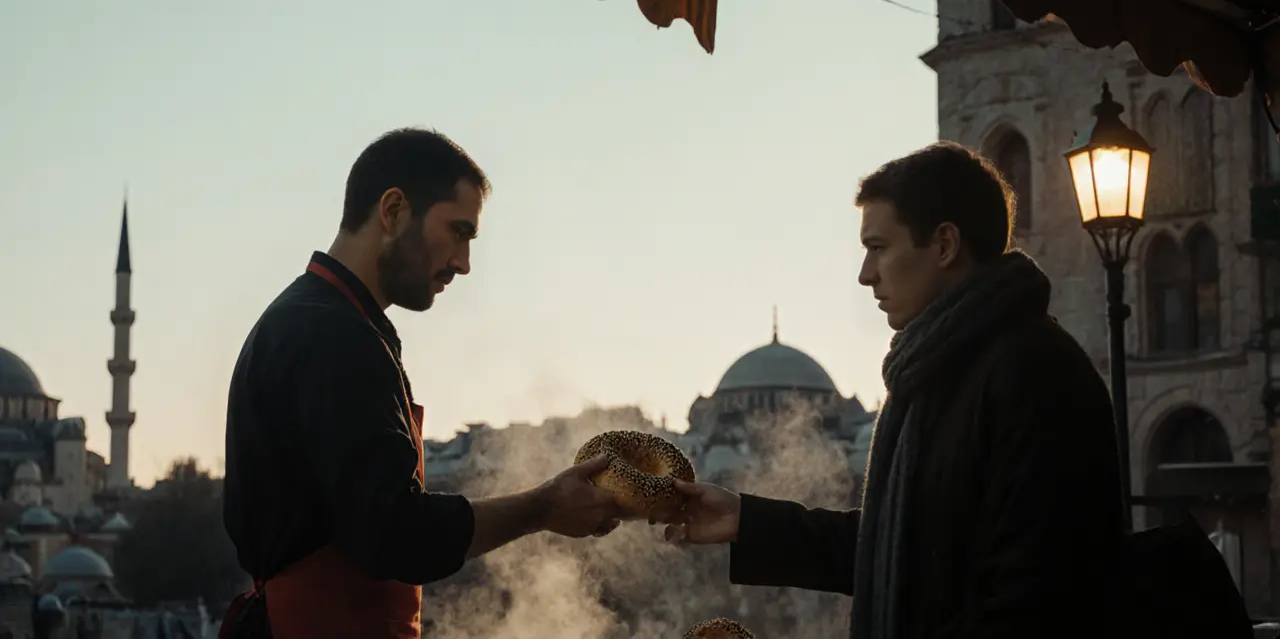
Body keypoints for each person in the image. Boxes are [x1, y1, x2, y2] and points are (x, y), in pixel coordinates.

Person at [656, 142, 1126, 639]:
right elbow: (906, 548)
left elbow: (1034, 599)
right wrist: (746, 521)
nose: (865, 275)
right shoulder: (944, 370)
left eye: (878, 248)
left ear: (944, 246)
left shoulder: (1033, 374)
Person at [221, 128, 622, 639]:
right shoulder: (333, 335)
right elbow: (395, 535)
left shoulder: (314, 320)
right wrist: (543, 507)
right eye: (458, 232)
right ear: (393, 210)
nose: (464, 263)